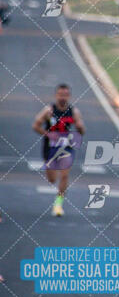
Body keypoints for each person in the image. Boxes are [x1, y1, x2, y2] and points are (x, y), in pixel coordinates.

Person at [33, 84, 85, 216]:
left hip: (65, 147)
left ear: (69, 96)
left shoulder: (74, 112)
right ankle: (57, 198)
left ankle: (58, 204)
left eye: (65, 95)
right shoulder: (49, 110)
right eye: (60, 95)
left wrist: (79, 127)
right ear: (56, 95)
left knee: (64, 175)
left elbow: (82, 130)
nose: (63, 97)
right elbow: (35, 125)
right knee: (52, 179)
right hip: (50, 147)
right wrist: (48, 134)